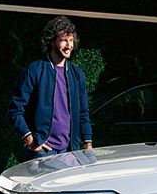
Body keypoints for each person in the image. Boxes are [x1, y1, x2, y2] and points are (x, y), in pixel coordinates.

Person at [8, 15, 94, 159]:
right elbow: (15, 111)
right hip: (42, 151)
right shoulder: (35, 70)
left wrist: (88, 146)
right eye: (64, 40)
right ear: (52, 41)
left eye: (71, 40)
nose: (69, 45)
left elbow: (83, 114)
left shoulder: (77, 74)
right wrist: (32, 141)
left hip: (70, 151)